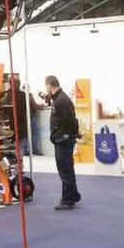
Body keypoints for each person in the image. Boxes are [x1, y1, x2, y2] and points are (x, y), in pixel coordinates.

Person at [46, 75, 80, 210]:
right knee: (67, 168)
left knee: (65, 169)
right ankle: (73, 195)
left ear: (49, 85)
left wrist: (72, 133)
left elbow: (71, 120)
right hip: (62, 137)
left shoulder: (62, 100)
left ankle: (67, 199)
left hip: (63, 139)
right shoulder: (59, 99)